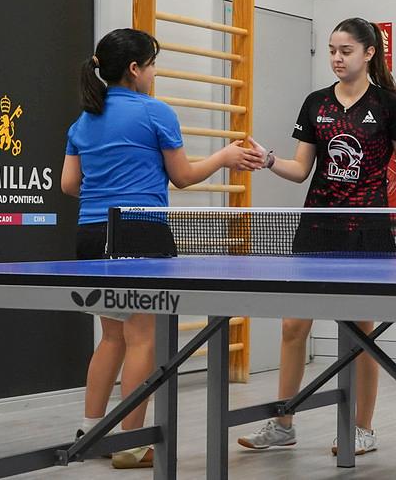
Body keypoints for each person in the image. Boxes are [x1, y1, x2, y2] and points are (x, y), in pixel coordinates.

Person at [61, 27, 263, 469]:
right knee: (142, 339)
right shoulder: (156, 113)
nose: (154, 73)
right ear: (135, 69)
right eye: (152, 64)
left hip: (91, 234)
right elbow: (185, 176)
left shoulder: (83, 120)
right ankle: (132, 444)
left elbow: (69, 184)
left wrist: (107, 191)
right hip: (139, 232)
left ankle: (89, 429)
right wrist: (225, 158)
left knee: (111, 336)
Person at [238, 17, 396, 456]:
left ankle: (362, 429)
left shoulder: (390, 104)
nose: (337, 58)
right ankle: (283, 423)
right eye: (333, 51)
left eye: (346, 51)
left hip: (369, 229)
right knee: (293, 325)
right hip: (317, 227)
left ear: (369, 53)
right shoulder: (315, 103)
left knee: (361, 330)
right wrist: (267, 160)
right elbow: (301, 169)